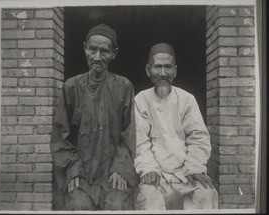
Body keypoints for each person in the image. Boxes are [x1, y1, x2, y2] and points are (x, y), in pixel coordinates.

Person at [50, 23, 138, 210]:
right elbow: (60, 137)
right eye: (93, 49)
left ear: (114, 53)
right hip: (81, 173)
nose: (97, 57)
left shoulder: (124, 86)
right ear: (85, 49)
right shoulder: (71, 87)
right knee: (78, 204)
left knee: (117, 204)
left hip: (112, 173)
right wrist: (73, 171)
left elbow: (130, 134)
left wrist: (120, 169)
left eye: (104, 51)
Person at [134, 43, 218, 210]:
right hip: (156, 173)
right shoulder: (141, 100)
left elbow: (198, 138)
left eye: (168, 67)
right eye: (158, 67)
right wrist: (149, 168)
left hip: (185, 172)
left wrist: (195, 167)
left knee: (206, 192)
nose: (163, 73)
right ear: (148, 70)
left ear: (175, 70)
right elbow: (140, 141)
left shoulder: (187, 99)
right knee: (149, 197)